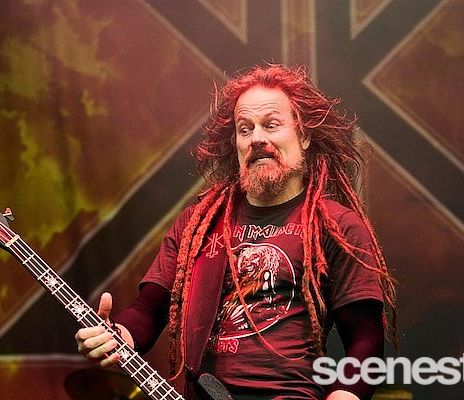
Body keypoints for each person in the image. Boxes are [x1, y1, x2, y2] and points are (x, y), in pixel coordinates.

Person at [75, 64, 398, 400]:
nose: (257, 138)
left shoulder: (335, 225)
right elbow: (147, 312)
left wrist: (344, 396)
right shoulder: (198, 224)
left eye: (271, 125)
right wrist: (115, 335)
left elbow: (365, 342)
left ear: (303, 136)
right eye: (245, 129)